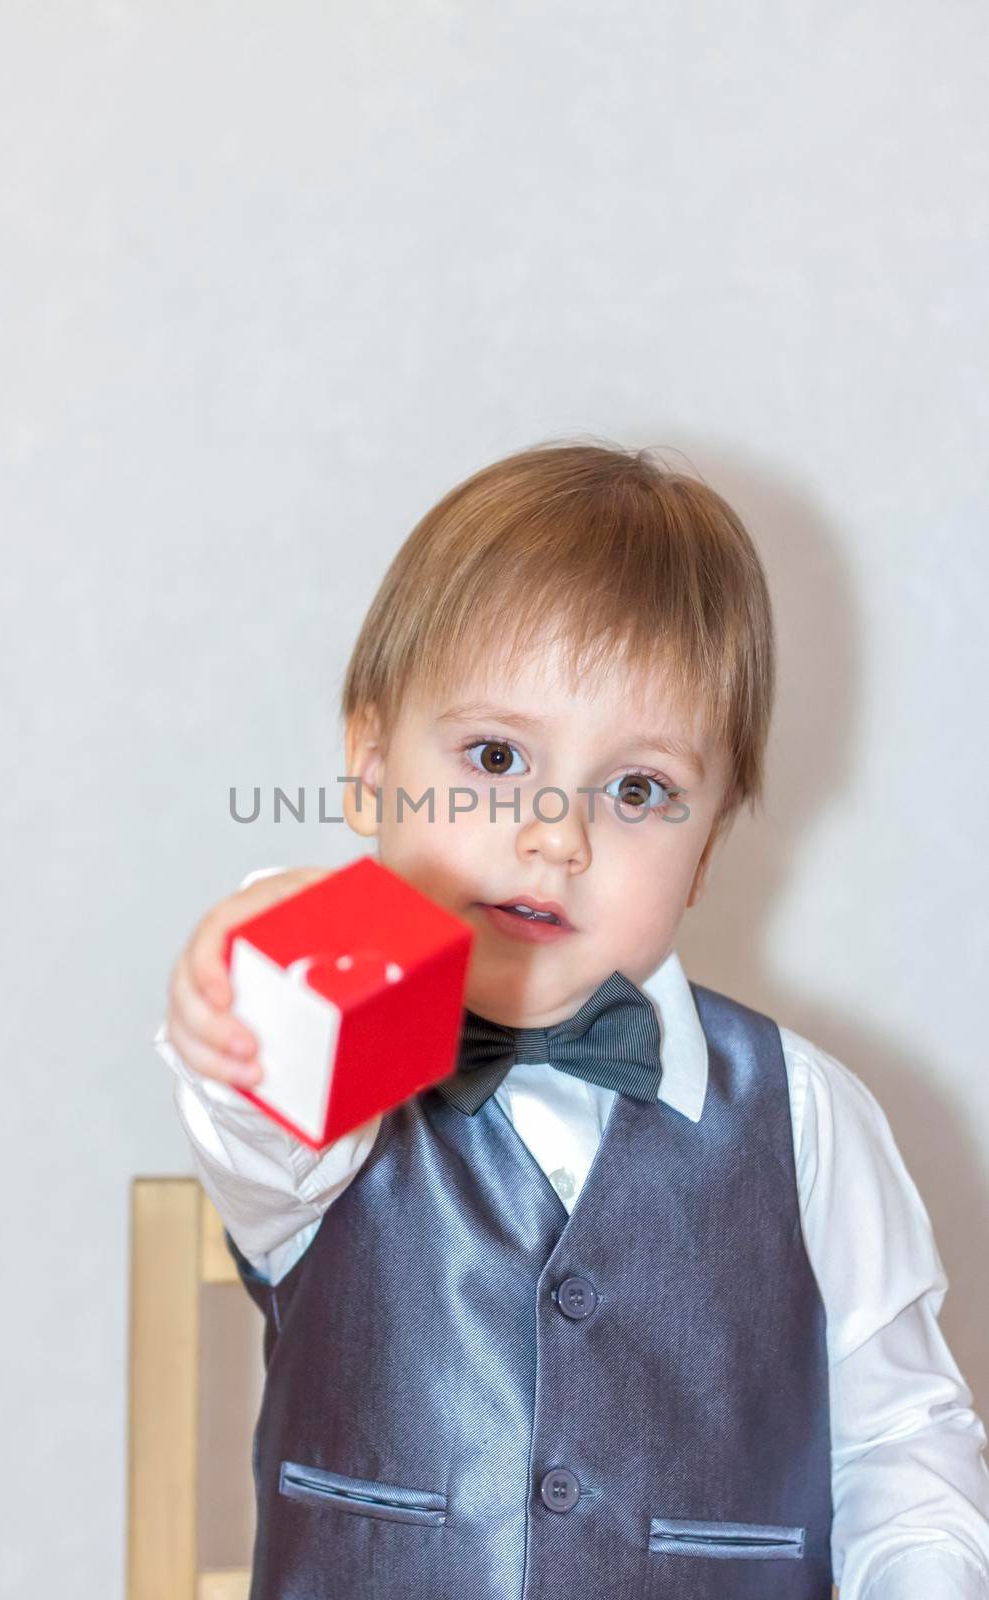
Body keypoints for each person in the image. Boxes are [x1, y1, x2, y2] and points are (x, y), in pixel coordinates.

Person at [155, 440, 989, 1599]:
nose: (556, 835)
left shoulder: (804, 1118)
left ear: (705, 852)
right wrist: (257, 959)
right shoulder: (333, 1090)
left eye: (637, 790)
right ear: (368, 766)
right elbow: (261, 1101)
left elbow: (901, 1446)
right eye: (495, 758)